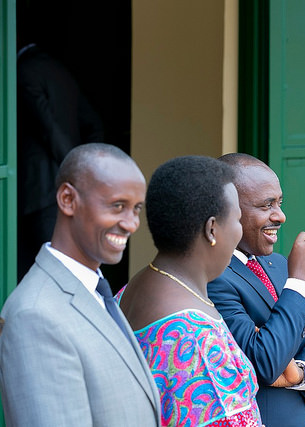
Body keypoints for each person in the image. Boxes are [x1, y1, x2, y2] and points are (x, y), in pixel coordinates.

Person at [0, 143, 160, 426]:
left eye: (136, 209)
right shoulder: (35, 316)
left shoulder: (93, 290)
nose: (132, 224)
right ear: (67, 199)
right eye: (117, 206)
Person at [116, 156, 262, 427]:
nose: (240, 231)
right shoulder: (197, 340)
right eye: (237, 219)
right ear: (212, 229)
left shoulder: (129, 292)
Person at [207, 153, 305, 427]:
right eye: (266, 205)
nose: (280, 216)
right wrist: (300, 284)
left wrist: (299, 373)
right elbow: (265, 362)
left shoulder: (278, 265)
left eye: (279, 203)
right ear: (226, 211)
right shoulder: (213, 277)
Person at [16, 38, 104, 281]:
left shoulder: (24, 71)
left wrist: (75, 171)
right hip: (63, 189)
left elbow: (48, 128)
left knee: (47, 268)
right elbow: (93, 124)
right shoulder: (60, 71)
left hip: (40, 190)